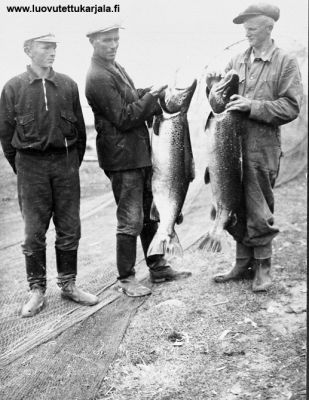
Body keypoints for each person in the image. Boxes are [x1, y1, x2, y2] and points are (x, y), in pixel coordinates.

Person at [85, 22, 192, 297]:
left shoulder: (115, 68)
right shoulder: (97, 76)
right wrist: (153, 98)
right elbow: (124, 117)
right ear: (93, 42)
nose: (113, 45)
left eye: (115, 39)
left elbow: (132, 100)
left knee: (149, 214)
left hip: (139, 155)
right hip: (123, 160)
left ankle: (157, 267)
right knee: (131, 219)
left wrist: (149, 92)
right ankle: (127, 278)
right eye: (106, 40)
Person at [0, 33, 99, 317]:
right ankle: (37, 290)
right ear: (28, 49)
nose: (52, 52)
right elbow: (6, 138)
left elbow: (80, 132)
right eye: (45, 47)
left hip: (65, 164)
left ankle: (69, 285)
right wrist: (24, 167)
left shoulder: (68, 85)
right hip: (30, 166)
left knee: (69, 229)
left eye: (54, 47)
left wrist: (69, 164)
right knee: (34, 233)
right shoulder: (13, 87)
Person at [206, 3, 303, 291]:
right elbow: (219, 99)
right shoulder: (236, 60)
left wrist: (253, 106)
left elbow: (291, 106)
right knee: (233, 202)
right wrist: (212, 84)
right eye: (244, 28)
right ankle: (241, 261)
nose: (246, 33)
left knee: (259, 205)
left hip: (262, 147)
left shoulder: (285, 62)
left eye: (251, 28)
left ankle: (263, 265)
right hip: (231, 146)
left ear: (269, 28)